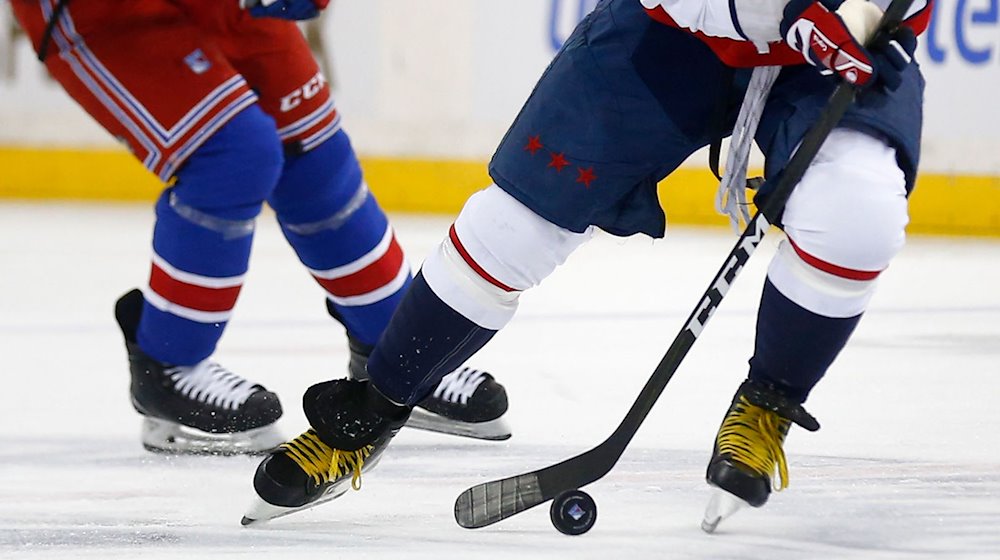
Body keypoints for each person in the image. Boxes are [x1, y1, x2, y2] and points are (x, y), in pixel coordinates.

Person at [241, 0, 930, 526]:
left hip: (829, 52)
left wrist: (868, 15)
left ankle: (767, 404)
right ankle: (373, 407)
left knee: (857, 211)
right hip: (672, 33)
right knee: (511, 227)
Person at [9, 0, 511, 455]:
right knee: (233, 153)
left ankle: (390, 349)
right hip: (109, 12)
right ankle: (168, 364)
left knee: (316, 158)